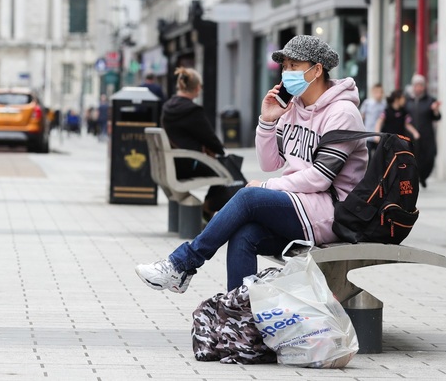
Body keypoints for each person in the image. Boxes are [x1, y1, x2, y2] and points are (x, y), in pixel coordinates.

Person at [136, 35, 369, 293]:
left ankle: (182, 263)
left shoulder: (343, 113)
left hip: (331, 211)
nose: (286, 72)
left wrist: (268, 187)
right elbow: (269, 162)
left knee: (248, 197)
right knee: (244, 234)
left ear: (316, 70)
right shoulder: (292, 108)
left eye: (294, 65)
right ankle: (240, 318)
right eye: (285, 66)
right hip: (300, 205)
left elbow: (320, 178)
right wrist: (267, 121)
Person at [160, 67, 244, 219]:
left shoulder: (167, 107)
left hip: (172, 164)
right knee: (228, 167)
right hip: (188, 164)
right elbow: (210, 138)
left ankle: (209, 208)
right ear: (197, 88)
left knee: (222, 166)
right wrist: (220, 150)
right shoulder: (192, 110)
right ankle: (209, 207)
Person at [406, 74, 441, 188]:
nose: (419, 88)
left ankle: (424, 176)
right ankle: (417, 177)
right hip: (411, 136)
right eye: (417, 85)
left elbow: (437, 117)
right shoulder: (407, 101)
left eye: (421, 85)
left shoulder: (430, 100)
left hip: (427, 135)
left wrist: (435, 111)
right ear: (413, 86)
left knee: (429, 158)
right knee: (413, 158)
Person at [359, 83, 385, 155]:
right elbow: (361, 117)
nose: (379, 94)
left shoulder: (384, 105)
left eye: (381, 92)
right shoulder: (367, 103)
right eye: (377, 92)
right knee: (368, 156)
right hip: (368, 135)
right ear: (373, 92)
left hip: (380, 135)